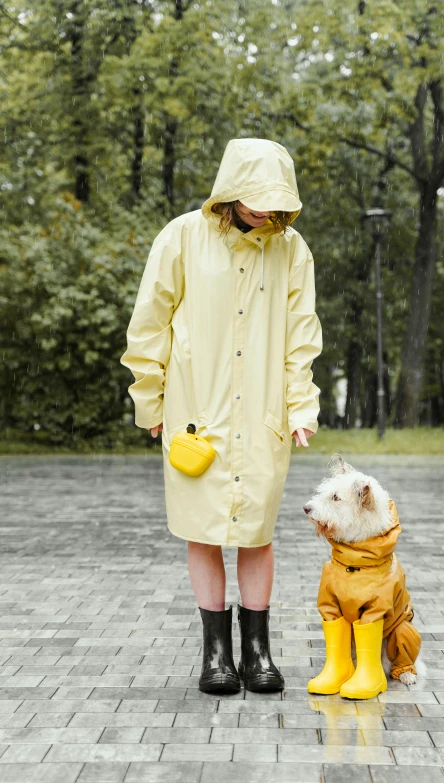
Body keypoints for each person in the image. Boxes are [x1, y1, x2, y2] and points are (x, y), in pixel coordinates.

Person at [121, 138, 322, 694]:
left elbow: (301, 335)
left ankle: (258, 652)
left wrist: (301, 404)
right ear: (230, 189)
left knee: (257, 531)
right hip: (195, 411)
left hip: (263, 411)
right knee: (202, 530)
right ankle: (215, 655)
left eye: (272, 198)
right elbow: (150, 323)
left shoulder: (292, 249)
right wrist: (150, 396)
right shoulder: (181, 236)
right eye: (253, 196)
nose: (263, 208)